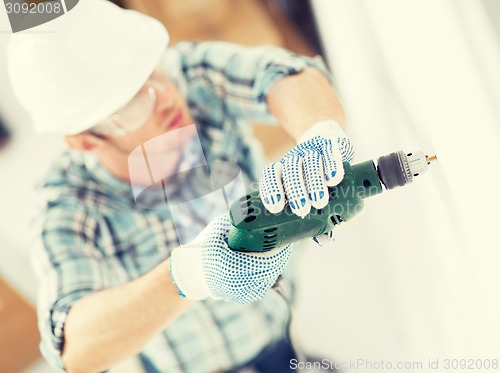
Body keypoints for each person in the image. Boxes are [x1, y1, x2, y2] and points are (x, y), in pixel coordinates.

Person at [7, 1, 353, 372]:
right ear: (84, 140)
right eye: (133, 101)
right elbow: (73, 349)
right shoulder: (67, 207)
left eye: (152, 72)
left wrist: (320, 132)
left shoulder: (188, 78)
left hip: (274, 326)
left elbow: (286, 76)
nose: (166, 96)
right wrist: (190, 274)